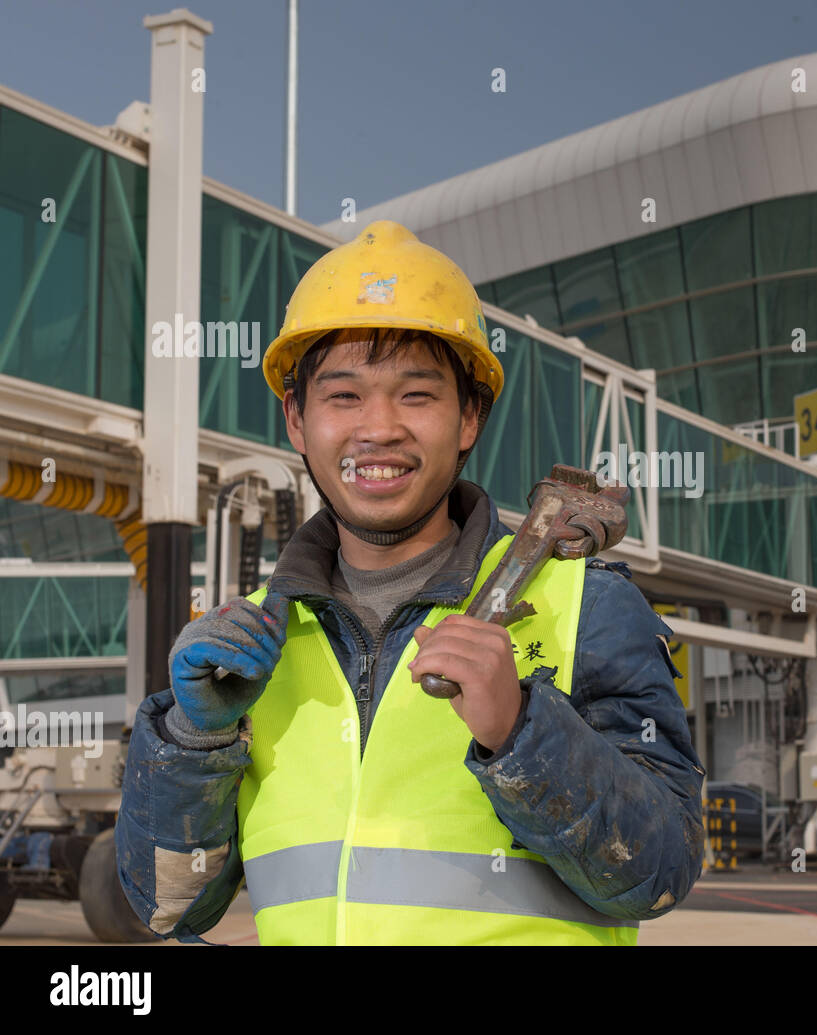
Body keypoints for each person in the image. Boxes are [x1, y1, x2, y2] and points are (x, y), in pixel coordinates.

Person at [116, 221, 706, 945]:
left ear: (469, 417)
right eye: (344, 397)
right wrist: (190, 741)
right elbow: (168, 906)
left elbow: (663, 869)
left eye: (417, 395)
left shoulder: (588, 607)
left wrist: (520, 731)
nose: (379, 428)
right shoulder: (260, 647)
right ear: (297, 421)